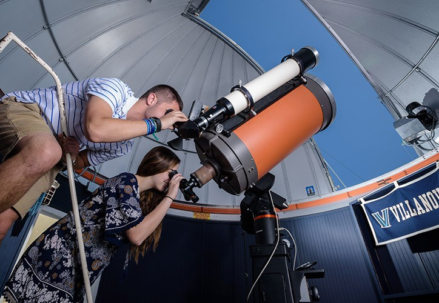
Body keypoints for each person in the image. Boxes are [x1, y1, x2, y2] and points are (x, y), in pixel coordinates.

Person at [0, 78, 188, 245]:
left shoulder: (124, 146)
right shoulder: (116, 89)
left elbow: (80, 162)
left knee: (3, 223)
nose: (168, 120)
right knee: (47, 151)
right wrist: (158, 123)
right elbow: (95, 128)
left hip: (53, 156)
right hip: (30, 112)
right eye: (168, 112)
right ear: (152, 99)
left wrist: (73, 155)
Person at [2, 146, 184, 302]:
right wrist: (170, 197)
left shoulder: (137, 198)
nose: (172, 179)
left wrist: (166, 198)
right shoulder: (126, 181)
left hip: (80, 269)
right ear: (158, 164)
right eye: (172, 173)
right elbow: (136, 236)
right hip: (62, 258)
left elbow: (141, 232)